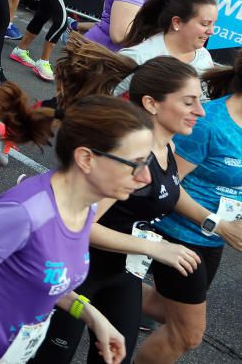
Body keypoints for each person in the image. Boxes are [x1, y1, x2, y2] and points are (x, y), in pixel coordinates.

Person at [0, 89, 151, 364]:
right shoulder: (25, 213)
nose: (145, 177)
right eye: (135, 164)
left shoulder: (88, 207)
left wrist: (94, 317)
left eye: (147, 162)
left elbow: (47, 278)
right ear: (86, 159)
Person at [26, 40, 206, 364]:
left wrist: (213, 222)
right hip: (77, 274)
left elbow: (167, 194)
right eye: (189, 102)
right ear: (152, 103)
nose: (200, 111)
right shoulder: (129, 157)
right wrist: (155, 248)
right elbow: (83, 226)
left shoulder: (168, 150)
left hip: (124, 276)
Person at [135, 53, 242, 363]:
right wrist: (216, 224)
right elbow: (166, 186)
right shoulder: (209, 123)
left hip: (213, 239)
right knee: (189, 333)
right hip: (180, 233)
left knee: (163, 306)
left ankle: (102, 286)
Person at [117, 0, 217, 96]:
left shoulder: (204, 57)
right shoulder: (138, 57)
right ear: (177, 22)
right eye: (205, 24)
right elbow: (105, 98)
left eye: (214, 24)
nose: (211, 31)